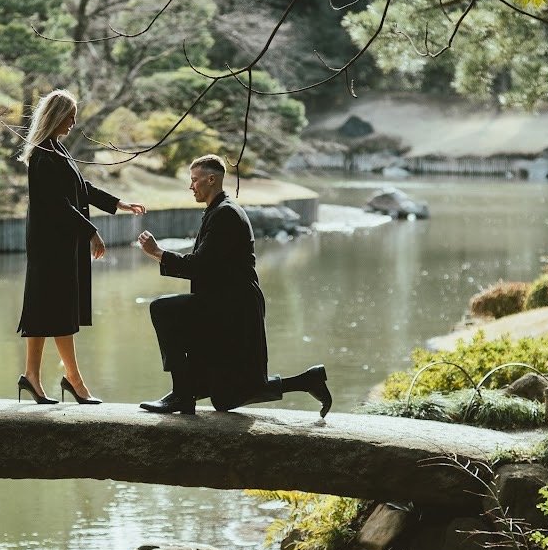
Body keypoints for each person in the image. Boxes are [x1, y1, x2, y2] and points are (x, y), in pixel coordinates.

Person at [135, 153, 332, 417]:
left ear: (211, 179)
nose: (190, 186)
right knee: (226, 398)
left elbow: (200, 266)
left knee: (163, 309)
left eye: (194, 180)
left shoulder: (226, 213)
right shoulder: (218, 210)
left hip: (234, 307)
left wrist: (158, 253)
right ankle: (308, 380)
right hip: (223, 302)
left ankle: (182, 395)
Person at [16, 89, 145, 404]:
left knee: (45, 310)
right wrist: (91, 232)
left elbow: (80, 188)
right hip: (51, 247)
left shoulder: (56, 150)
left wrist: (119, 203)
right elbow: (58, 204)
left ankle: (33, 377)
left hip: (55, 245)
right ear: (57, 116)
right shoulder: (43, 156)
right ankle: (73, 380)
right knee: (57, 311)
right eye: (71, 116)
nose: (74, 122)